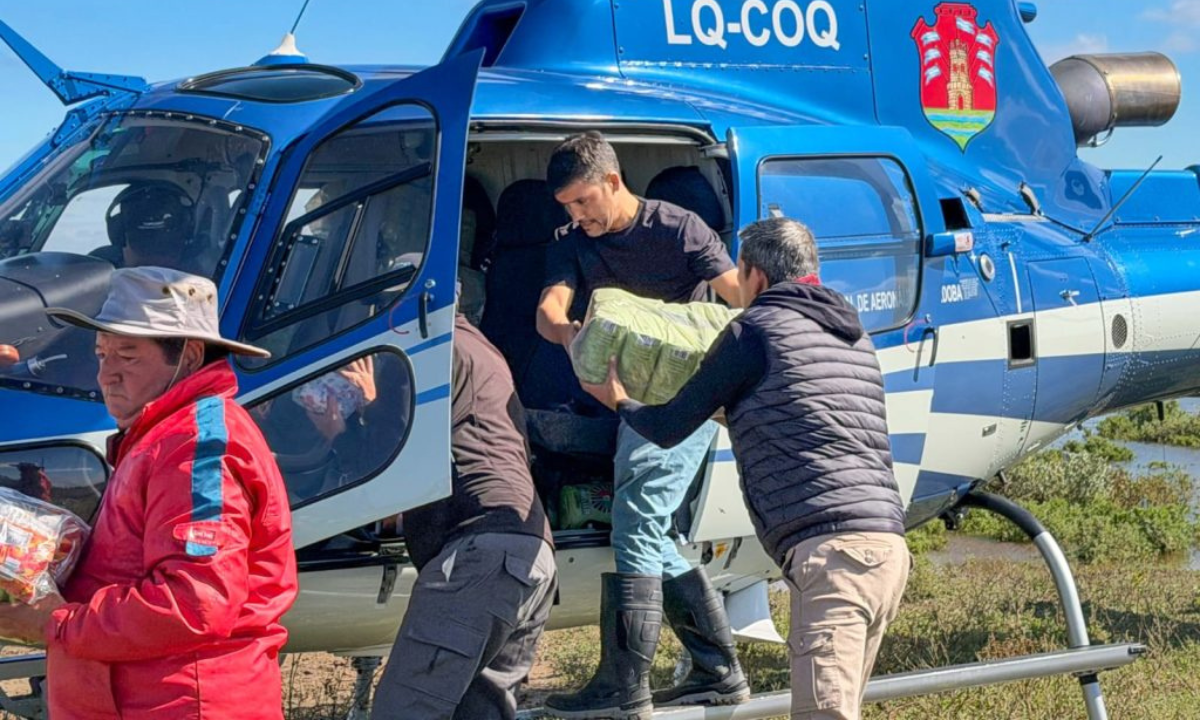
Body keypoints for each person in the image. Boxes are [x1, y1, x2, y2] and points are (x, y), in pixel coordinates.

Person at [581, 218, 911, 720]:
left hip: (832, 556)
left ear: (754, 274)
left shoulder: (753, 332)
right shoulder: (853, 338)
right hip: (886, 547)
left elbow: (670, 425)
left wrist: (621, 401)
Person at [0, 266, 298, 719]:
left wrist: (55, 621)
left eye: (128, 356)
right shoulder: (165, 435)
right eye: (102, 355)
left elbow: (196, 602)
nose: (107, 375)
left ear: (190, 356)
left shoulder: (198, 445)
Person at [537, 131, 748, 718]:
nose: (578, 217)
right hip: (627, 398)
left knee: (638, 521)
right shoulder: (572, 241)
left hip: (687, 396)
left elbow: (739, 299)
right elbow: (549, 308)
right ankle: (716, 669)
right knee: (651, 529)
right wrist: (567, 331)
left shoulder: (679, 229)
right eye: (567, 208)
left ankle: (625, 685)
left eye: (584, 202)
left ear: (612, 180)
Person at [370, 314, 558, 720]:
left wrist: (344, 420)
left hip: (481, 554)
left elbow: (389, 449)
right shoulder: (481, 348)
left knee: (405, 710)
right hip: (530, 552)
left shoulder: (419, 350)